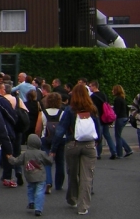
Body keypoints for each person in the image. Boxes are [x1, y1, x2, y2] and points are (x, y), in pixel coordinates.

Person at [50, 84, 100, 215]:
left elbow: (60, 129)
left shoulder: (69, 110)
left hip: (73, 144)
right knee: (87, 176)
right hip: (89, 145)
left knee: (72, 173)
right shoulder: (92, 109)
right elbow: (97, 129)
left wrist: (54, 148)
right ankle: (83, 206)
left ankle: (73, 198)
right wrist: (97, 143)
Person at [8, 134, 54, 216]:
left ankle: (31, 202)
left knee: (30, 189)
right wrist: (51, 156)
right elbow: (49, 161)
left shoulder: (25, 154)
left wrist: (10, 158)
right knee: (39, 191)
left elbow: (16, 161)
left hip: (29, 176)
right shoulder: (41, 153)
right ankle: (38, 209)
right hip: (40, 176)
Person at [34, 92, 65, 194]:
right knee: (60, 161)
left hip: (46, 138)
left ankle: (48, 182)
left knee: (46, 161)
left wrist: (38, 139)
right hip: (60, 140)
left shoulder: (43, 113)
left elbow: (38, 129)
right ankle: (59, 184)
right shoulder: (62, 113)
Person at [88, 80, 117, 159]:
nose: (89, 87)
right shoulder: (104, 95)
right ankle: (113, 151)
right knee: (107, 135)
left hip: (98, 118)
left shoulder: (93, 97)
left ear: (94, 86)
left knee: (98, 136)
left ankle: (98, 153)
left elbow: (92, 108)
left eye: (90, 86)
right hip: (105, 117)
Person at [111, 85, 133, 157]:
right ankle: (128, 149)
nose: (112, 91)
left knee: (118, 136)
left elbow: (116, 111)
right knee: (119, 135)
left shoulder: (117, 99)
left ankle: (119, 153)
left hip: (120, 118)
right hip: (124, 117)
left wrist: (112, 118)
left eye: (113, 90)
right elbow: (127, 109)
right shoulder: (122, 98)